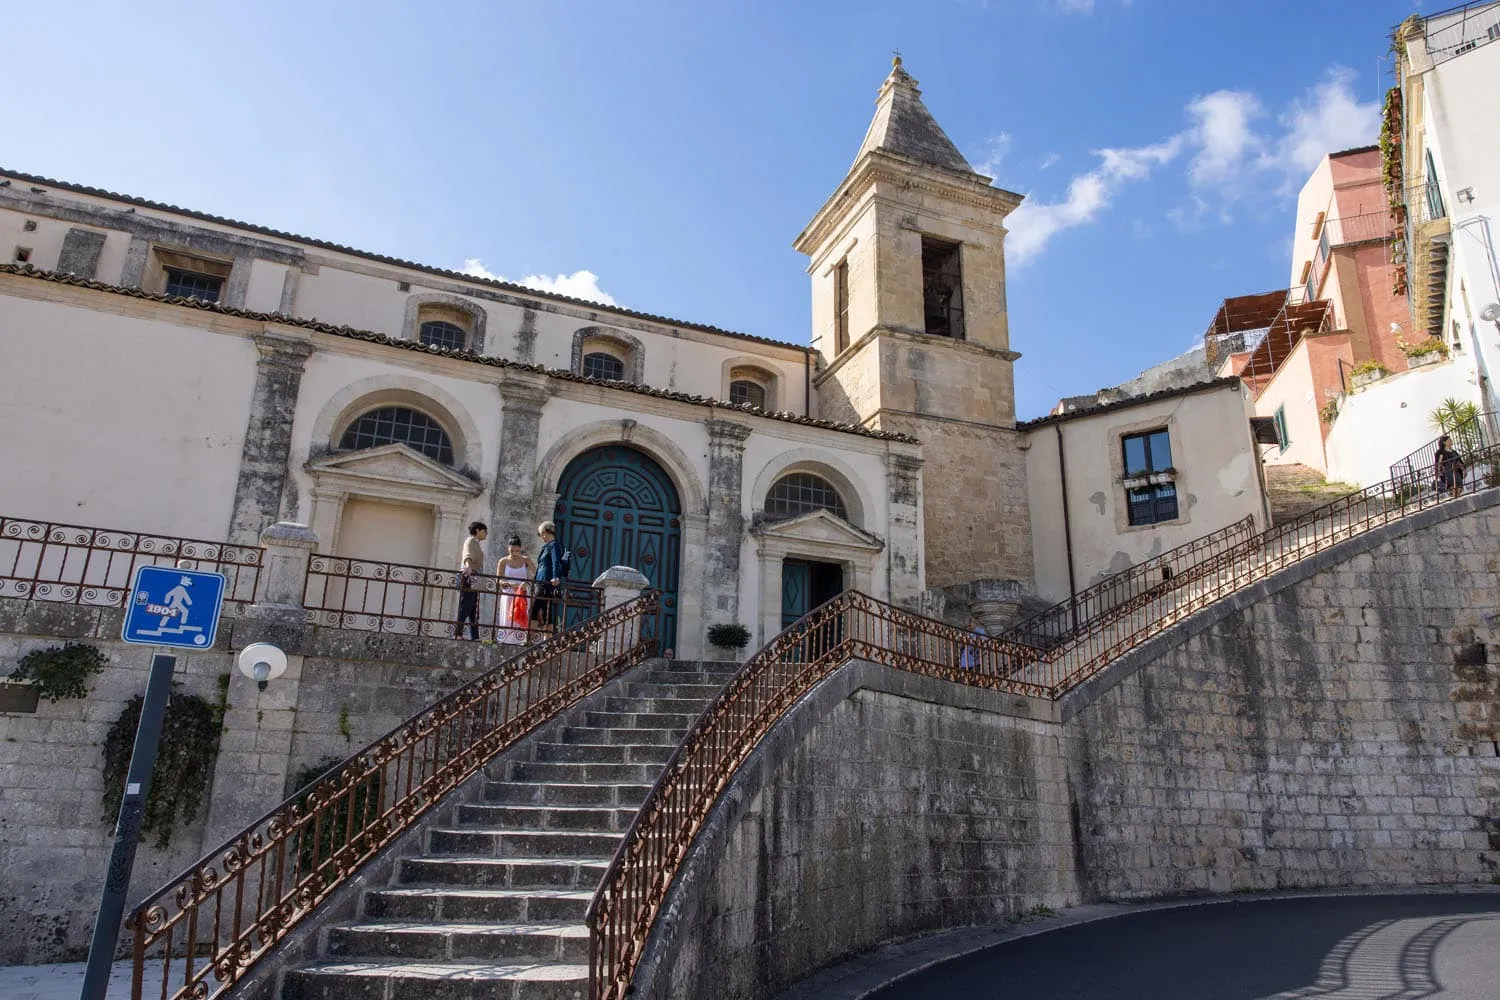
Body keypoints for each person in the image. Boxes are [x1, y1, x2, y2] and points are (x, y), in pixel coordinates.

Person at [496, 534, 537, 645]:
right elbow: (498, 580)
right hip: (509, 592)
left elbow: (536, 574)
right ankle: (505, 640)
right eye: (512, 551)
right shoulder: (503, 561)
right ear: (508, 549)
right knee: (507, 617)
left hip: (522, 592)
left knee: (521, 615)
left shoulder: (526, 560)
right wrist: (509, 584)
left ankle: (520, 640)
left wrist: (527, 583)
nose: (514, 553)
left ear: (520, 549)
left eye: (517, 551)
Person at [454, 521, 487, 640]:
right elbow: (467, 556)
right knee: (466, 606)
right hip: (469, 577)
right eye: (484, 531)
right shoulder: (470, 541)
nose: (486, 534)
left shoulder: (476, 543)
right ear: (477, 530)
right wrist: (469, 568)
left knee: (473, 608)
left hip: (474, 577)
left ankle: (474, 636)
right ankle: (458, 633)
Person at [534, 521, 566, 634]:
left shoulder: (554, 545)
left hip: (546, 582)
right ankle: (546, 639)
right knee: (545, 610)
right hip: (541, 581)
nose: (541, 537)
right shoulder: (547, 546)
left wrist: (555, 577)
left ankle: (529, 638)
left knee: (536, 609)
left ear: (544, 532)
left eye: (540, 534)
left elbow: (555, 561)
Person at [1434, 435, 1465, 500]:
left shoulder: (1453, 451)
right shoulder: (1440, 452)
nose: (1451, 441)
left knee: (1459, 485)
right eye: (1449, 440)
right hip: (1448, 471)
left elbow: (1459, 461)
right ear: (1444, 442)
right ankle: (1456, 498)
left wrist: (1463, 469)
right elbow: (1438, 463)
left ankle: (1456, 498)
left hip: (1457, 470)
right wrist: (1439, 472)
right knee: (1454, 485)